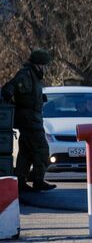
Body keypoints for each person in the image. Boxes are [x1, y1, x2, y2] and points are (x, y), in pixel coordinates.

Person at [1, 49, 56, 192]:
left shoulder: (34, 76)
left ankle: (20, 182)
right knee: (42, 150)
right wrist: (9, 97)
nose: (46, 68)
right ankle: (38, 181)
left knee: (26, 152)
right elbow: (10, 87)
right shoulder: (26, 74)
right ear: (38, 64)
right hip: (29, 121)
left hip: (32, 119)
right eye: (44, 65)